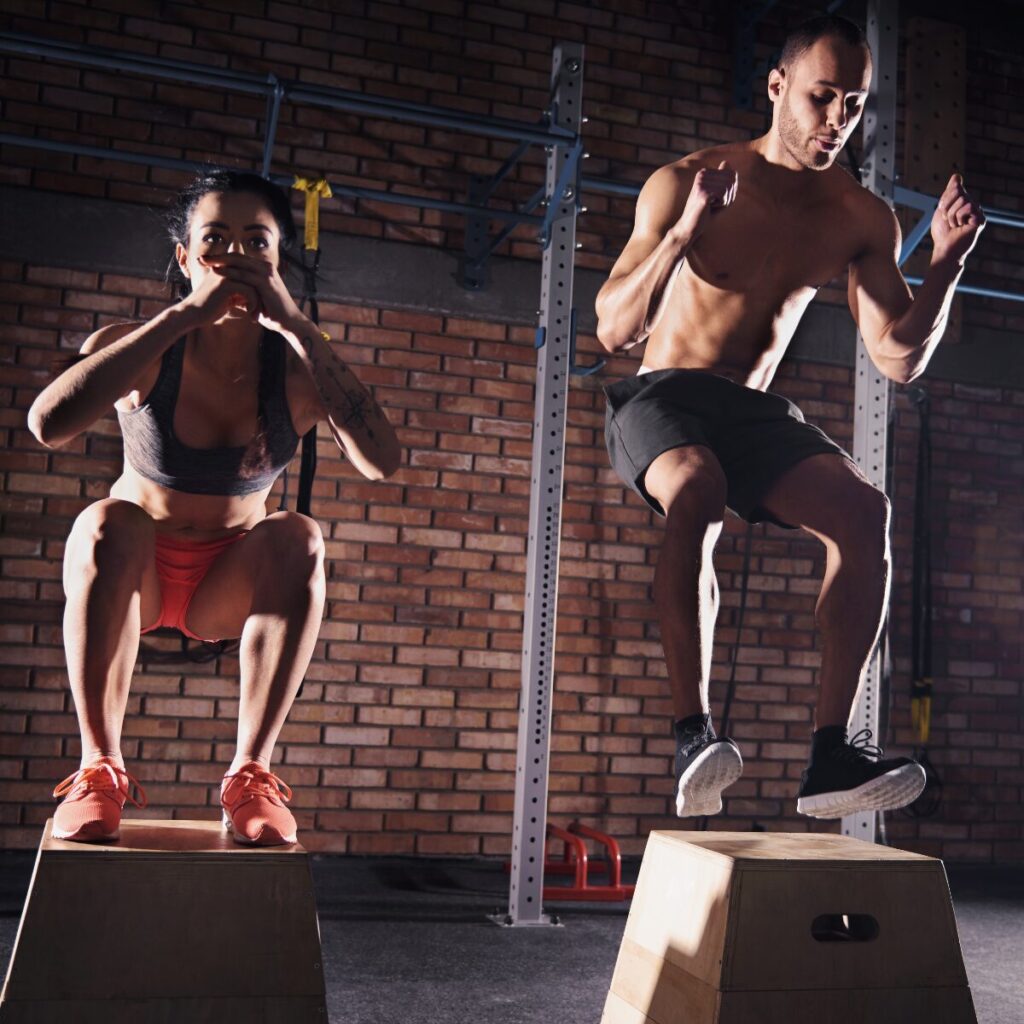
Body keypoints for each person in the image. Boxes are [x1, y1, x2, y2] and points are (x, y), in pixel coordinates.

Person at [595, 15, 985, 820]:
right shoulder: (687, 181)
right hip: (662, 395)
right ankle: (693, 734)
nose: (837, 120)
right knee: (696, 487)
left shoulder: (858, 217)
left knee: (863, 510)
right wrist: (682, 235)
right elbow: (612, 328)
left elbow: (898, 357)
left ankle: (832, 757)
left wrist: (942, 273)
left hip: (753, 410)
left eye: (854, 104)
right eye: (822, 97)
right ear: (777, 89)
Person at [28, 170, 401, 845]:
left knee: (299, 535)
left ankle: (250, 775)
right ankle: (98, 770)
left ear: (278, 258)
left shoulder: (294, 372)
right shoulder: (141, 346)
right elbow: (46, 424)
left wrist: (292, 323)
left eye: (255, 241)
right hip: (131, 575)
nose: (235, 255)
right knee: (108, 520)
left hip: (222, 586)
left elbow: (382, 459)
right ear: (186, 257)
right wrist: (185, 315)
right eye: (215, 239)